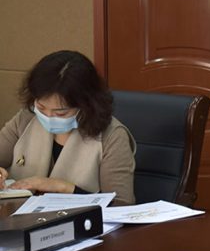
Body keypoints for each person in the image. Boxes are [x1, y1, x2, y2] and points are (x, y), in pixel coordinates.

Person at [0, 50, 136, 205]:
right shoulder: (26, 118)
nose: (48, 117)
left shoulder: (111, 136)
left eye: (60, 113)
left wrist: (63, 187)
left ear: (86, 105)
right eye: (41, 108)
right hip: (17, 216)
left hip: (77, 220)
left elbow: (121, 206)